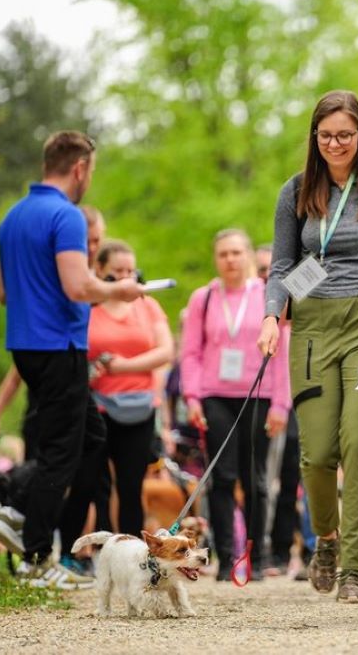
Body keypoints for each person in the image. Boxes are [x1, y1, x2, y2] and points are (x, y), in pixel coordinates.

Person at [258, 90, 358, 602]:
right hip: (313, 326)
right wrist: (271, 315)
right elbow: (282, 265)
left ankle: (352, 570)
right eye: (325, 136)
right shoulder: (297, 191)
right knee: (317, 452)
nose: (334, 144)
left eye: (344, 135)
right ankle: (328, 539)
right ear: (314, 138)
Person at [0, 130, 143, 587]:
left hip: (25, 346)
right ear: (80, 168)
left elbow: (4, 293)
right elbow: (79, 286)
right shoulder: (67, 216)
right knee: (61, 452)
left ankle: (20, 513)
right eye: (90, 171)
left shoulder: (11, 218)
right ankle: (35, 553)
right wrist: (120, 290)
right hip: (60, 347)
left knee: (92, 438)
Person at [181, 229, 291, 582]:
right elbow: (190, 352)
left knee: (255, 478)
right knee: (222, 478)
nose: (230, 260)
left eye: (236, 252)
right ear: (216, 259)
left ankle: (256, 557)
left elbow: (281, 351)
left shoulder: (268, 295)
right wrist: (192, 397)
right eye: (223, 254)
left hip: (258, 393)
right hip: (215, 395)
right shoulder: (204, 298)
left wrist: (281, 404)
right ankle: (226, 557)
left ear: (248, 256)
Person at [0, 206, 107, 455]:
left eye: (97, 241)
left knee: (90, 439)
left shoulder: (94, 281)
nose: (92, 247)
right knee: (53, 452)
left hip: (76, 380)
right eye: (87, 241)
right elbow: (4, 295)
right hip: (52, 368)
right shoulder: (62, 279)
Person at [88, 239, 175, 536]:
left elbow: (165, 351)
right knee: (97, 482)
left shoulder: (147, 306)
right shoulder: (89, 308)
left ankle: (131, 547)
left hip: (140, 406)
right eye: (118, 271)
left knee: (131, 483)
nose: (126, 278)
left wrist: (124, 366)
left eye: (130, 271)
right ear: (100, 270)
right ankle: (100, 545)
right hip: (98, 405)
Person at [253, 242, 301, 577]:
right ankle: (260, 547)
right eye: (261, 271)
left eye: (271, 272)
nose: (266, 279)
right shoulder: (242, 304)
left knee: (291, 475)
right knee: (261, 477)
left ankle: (284, 549)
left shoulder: (292, 296)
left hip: (297, 394)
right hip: (261, 397)